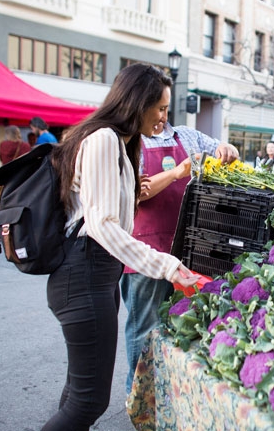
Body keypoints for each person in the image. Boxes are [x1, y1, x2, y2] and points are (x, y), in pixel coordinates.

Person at [41, 63, 200, 430]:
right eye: (159, 107)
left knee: (78, 394)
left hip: (96, 276)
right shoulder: (104, 140)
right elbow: (102, 225)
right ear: (138, 102)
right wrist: (165, 264)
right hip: (82, 274)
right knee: (89, 401)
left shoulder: (122, 143)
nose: (164, 116)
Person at [120, 106, 239, 396]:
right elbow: (136, 192)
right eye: (157, 107)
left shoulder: (186, 136)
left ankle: (169, 391)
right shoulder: (131, 142)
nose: (162, 114)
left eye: (165, 107)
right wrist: (177, 172)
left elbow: (223, 149)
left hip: (188, 246)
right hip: (144, 250)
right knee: (144, 327)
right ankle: (139, 397)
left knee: (181, 322)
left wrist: (227, 149)